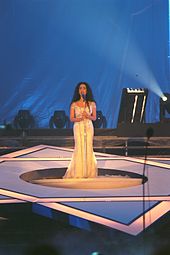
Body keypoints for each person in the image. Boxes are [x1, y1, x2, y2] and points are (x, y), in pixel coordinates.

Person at [63, 82, 97, 178]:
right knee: (79, 146)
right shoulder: (74, 104)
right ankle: (78, 172)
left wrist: (88, 116)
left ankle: (89, 172)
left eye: (84, 88)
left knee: (88, 147)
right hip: (78, 126)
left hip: (89, 126)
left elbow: (94, 118)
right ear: (78, 91)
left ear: (87, 90)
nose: (82, 90)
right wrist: (79, 119)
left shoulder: (92, 104)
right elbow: (71, 118)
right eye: (80, 88)